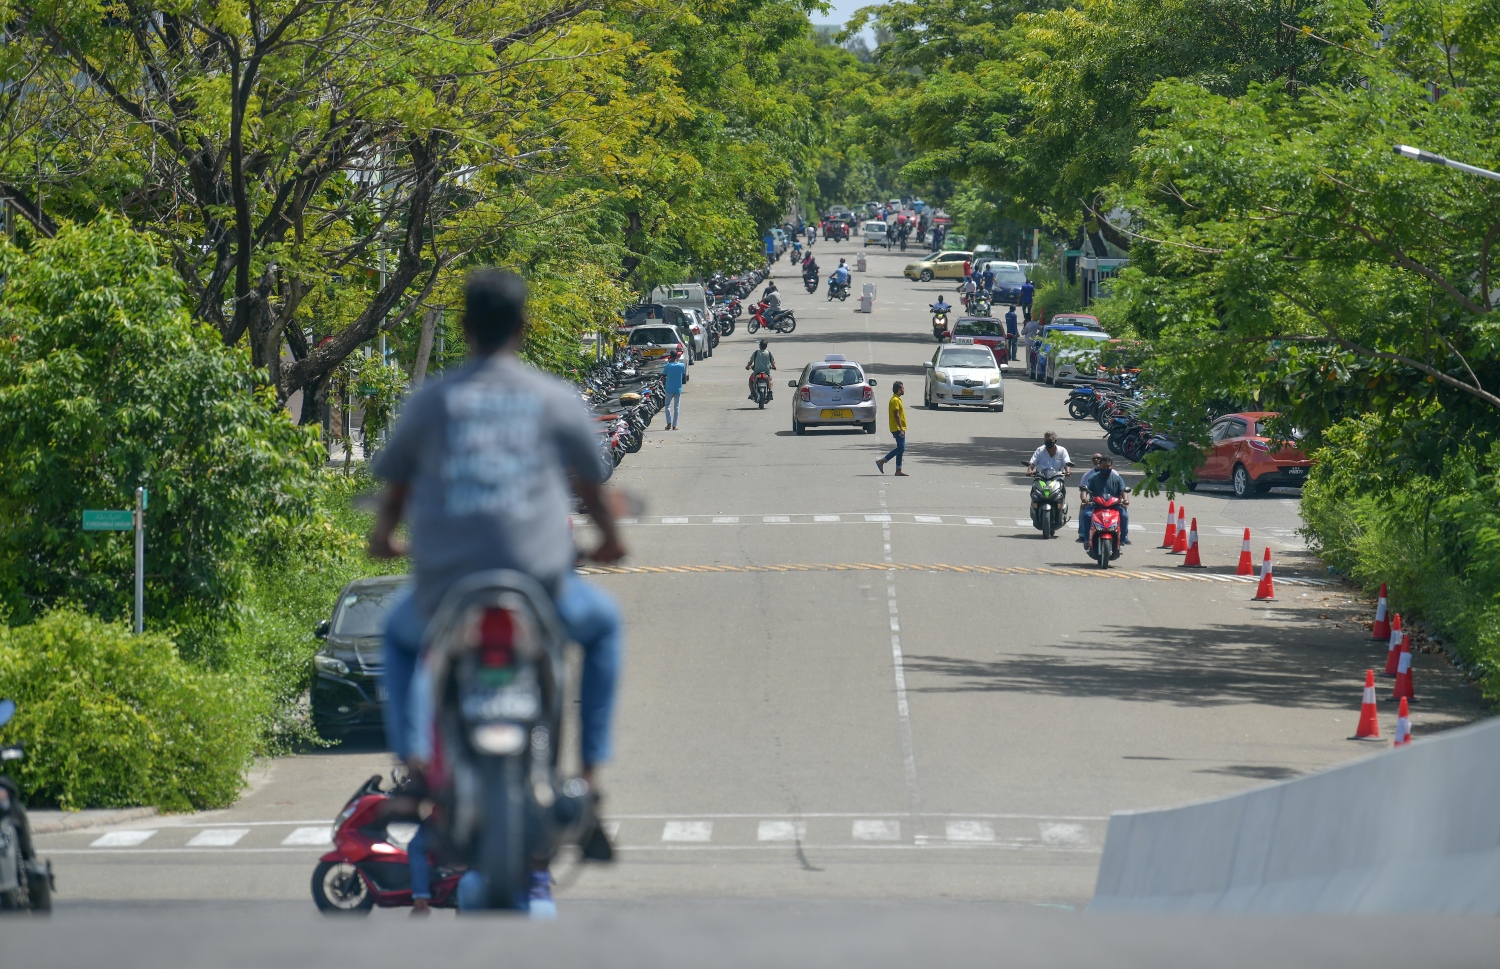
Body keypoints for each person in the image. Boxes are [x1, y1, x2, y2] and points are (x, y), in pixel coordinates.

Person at [369, 268, 627, 915]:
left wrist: (382, 537)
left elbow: (395, 486)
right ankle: (590, 778)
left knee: (398, 641)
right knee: (603, 629)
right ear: (523, 327)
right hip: (539, 587)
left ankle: (415, 771)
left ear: (461, 329)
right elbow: (593, 485)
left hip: (444, 590)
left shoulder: (431, 401)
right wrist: (613, 540)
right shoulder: (553, 396)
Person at [1079, 453, 1130, 545]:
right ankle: (1087, 539)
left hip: (1114, 505)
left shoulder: (1117, 478)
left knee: (1124, 516)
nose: (1106, 468)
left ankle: (1122, 539)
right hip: (1096, 505)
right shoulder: (1092, 477)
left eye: (1108, 466)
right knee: (1087, 515)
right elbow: (1084, 489)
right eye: (1103, 466)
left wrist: (1125, 500)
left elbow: (1123, 490)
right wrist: (1084, 499)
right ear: (1100, 466)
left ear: (1112, 466)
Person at [876, 381, 908, 476]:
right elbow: (896, 415)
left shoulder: (897, 399)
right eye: (902, 388)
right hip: (897, 428)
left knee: (900, 449)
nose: (904, 390)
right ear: (899, 390)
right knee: (901, 448)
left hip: (899, 427)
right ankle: (882, 461)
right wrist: (901, 428)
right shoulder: (894, 400)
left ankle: (898, 470)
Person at [662, 349, 687, 430]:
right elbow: (683, 376)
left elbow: (663, 375)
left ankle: (668, 423)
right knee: (676, 407)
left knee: (667, 406)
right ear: (677, 356)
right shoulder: (681, 366)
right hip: (678, 389)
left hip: (669, 388)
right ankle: (674, 425)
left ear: (670, 357)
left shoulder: (667, 366)